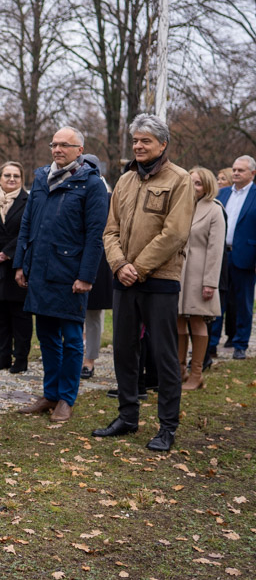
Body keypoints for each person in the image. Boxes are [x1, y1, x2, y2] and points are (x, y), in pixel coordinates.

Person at [94, 113, 194, 452]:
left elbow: (175, 233)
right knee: (123, 349)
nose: (138, 145)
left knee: (163, 354)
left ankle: (167, 427)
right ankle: (127, 416)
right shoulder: (125, 181)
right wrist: (120, 264)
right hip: (124, 278)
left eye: (145, 140)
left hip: (160, 279)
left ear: (162, 144)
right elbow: (110, 230)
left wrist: (138, 267)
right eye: (135, 140)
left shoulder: (180, 180)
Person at [13, 127, 109, 423]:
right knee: (47, 337)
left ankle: (67, 398)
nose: (57, 149)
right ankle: (50, 394)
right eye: (54, 144)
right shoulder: (42, 177)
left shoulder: (91, 184)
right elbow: (28, 222)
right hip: (40, 270)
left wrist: (86, 276)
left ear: (80, 149)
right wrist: (20, 264)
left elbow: (95, 235)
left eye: (64, 145)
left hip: (70, 275)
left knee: (70, 338)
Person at [178, 166, 226, 390]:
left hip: (200, 274)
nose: (193, 186)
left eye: (198, 183)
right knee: (177, 321)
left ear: (207, 186)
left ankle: (197, 373)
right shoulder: (181, 205)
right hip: (177, 273)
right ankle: (179, 372)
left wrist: (210, 283)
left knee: (197, 321)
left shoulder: (214, 210)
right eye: (190, 182)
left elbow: (216, 251)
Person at [0, 161, 31, 373]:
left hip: (18, 265)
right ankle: (4, 355)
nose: (11, 179)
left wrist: (8, 252)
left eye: (16, 175)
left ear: (22, 180)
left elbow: (28, 231)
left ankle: (21, 358)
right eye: (7, 175)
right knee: (0, 312)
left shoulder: (29, 201)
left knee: (20, 314)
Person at [214, 156, 255, 361]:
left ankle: (240, 344)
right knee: (214, 300)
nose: (236, 173)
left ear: (252, 174)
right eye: (234, 169)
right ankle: (211, 343)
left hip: (245, 257)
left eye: (241, 170)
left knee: (243, 304)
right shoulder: (221, 194)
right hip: (220, 256)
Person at [79, 155, 114, 380]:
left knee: (92, 313)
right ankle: (71, 354)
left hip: (99, 260)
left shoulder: (108, 197)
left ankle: (89, 360)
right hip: (71, 257)